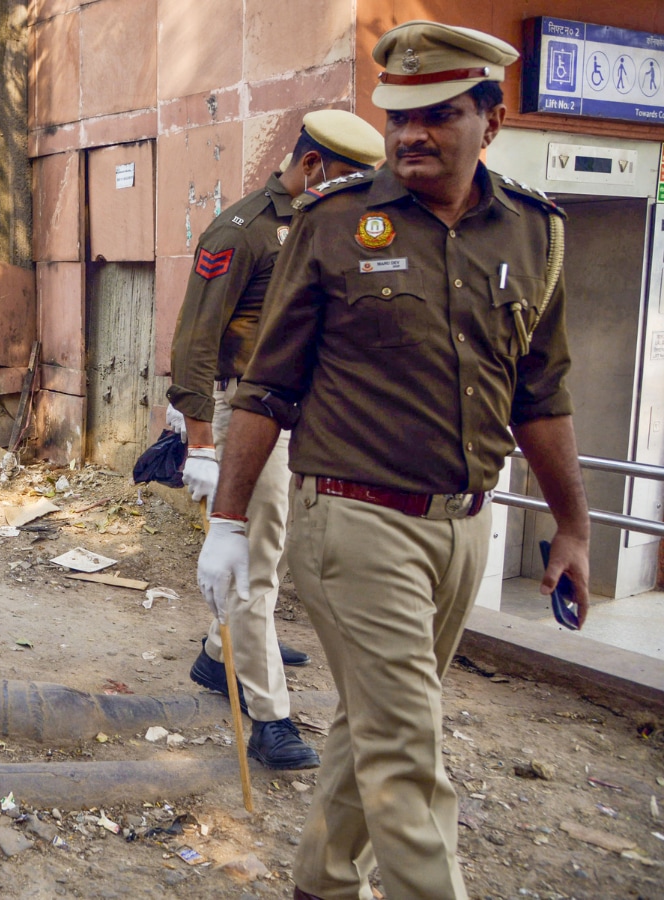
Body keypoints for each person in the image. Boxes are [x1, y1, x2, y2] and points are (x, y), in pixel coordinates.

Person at [196, 22, 589, 900]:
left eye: (438, 115)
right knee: (410, 752)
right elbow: (267, 387)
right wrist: (226, 522)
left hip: (464, 529)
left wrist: (572, 526)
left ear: (492, 120)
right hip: (355, 523)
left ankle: (322, 883)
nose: (411, 133)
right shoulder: (333, 225)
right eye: (399, 114)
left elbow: (543, 393)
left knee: (377, 731)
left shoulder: (536, 234)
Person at [164, 110, 385, 771]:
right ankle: (269, 716)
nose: (355, 194)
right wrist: (201, 440)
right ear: (313, 166)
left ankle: (218, 651)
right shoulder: (244, 229)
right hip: (244, 410)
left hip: (299, 414)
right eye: (346, 178)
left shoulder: (332, 227)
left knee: (273, 549)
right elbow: (194, 339)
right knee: (254, 568)